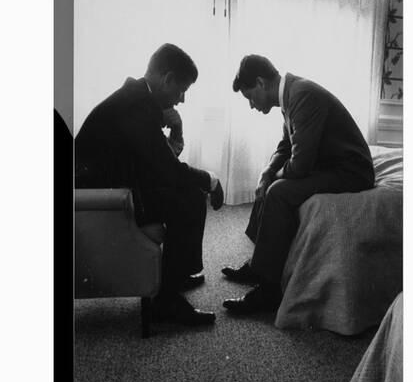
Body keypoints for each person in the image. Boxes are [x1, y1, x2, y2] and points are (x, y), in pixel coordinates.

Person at [75, 43, 224, 326]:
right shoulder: (136, 107)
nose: (182, 100)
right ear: (167, 79)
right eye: (182, 91)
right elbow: (166, 170)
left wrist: (176, 130)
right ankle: (166, 301)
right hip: (103, 202)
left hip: (113, 189)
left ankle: (176, 276)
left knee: (188, 193)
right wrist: (211, 180)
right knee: (190, 199)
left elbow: (156, 163)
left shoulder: (138, 99)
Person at [222, 55, 375, 315]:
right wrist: (267, 171)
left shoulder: (302, 95)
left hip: (351, 171)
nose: (251, 105)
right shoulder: (291, 95)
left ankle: (269, 291)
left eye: (250, 97)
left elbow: (300, 165)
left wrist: (274, 178)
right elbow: (286, 146)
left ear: (260, 83)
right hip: (329, 163)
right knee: (270, 181)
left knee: (279, 192)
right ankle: (258, 265)